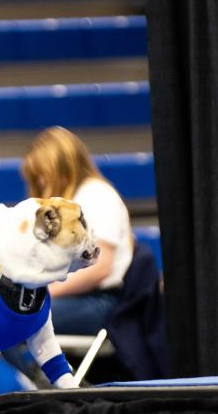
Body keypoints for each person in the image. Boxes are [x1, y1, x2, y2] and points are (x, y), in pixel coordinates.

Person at [20, 127, 133, 335]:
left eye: (43, 175)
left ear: (63, 168)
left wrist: (47, 293)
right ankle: (42, 368)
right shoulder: (68, 200)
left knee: (14, 318)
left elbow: (100, 268)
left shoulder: (97, 195)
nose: (41, 183)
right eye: (36, 178)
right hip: (76, 297)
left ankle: (44, 369)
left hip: (101, 301)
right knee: (4, 313)